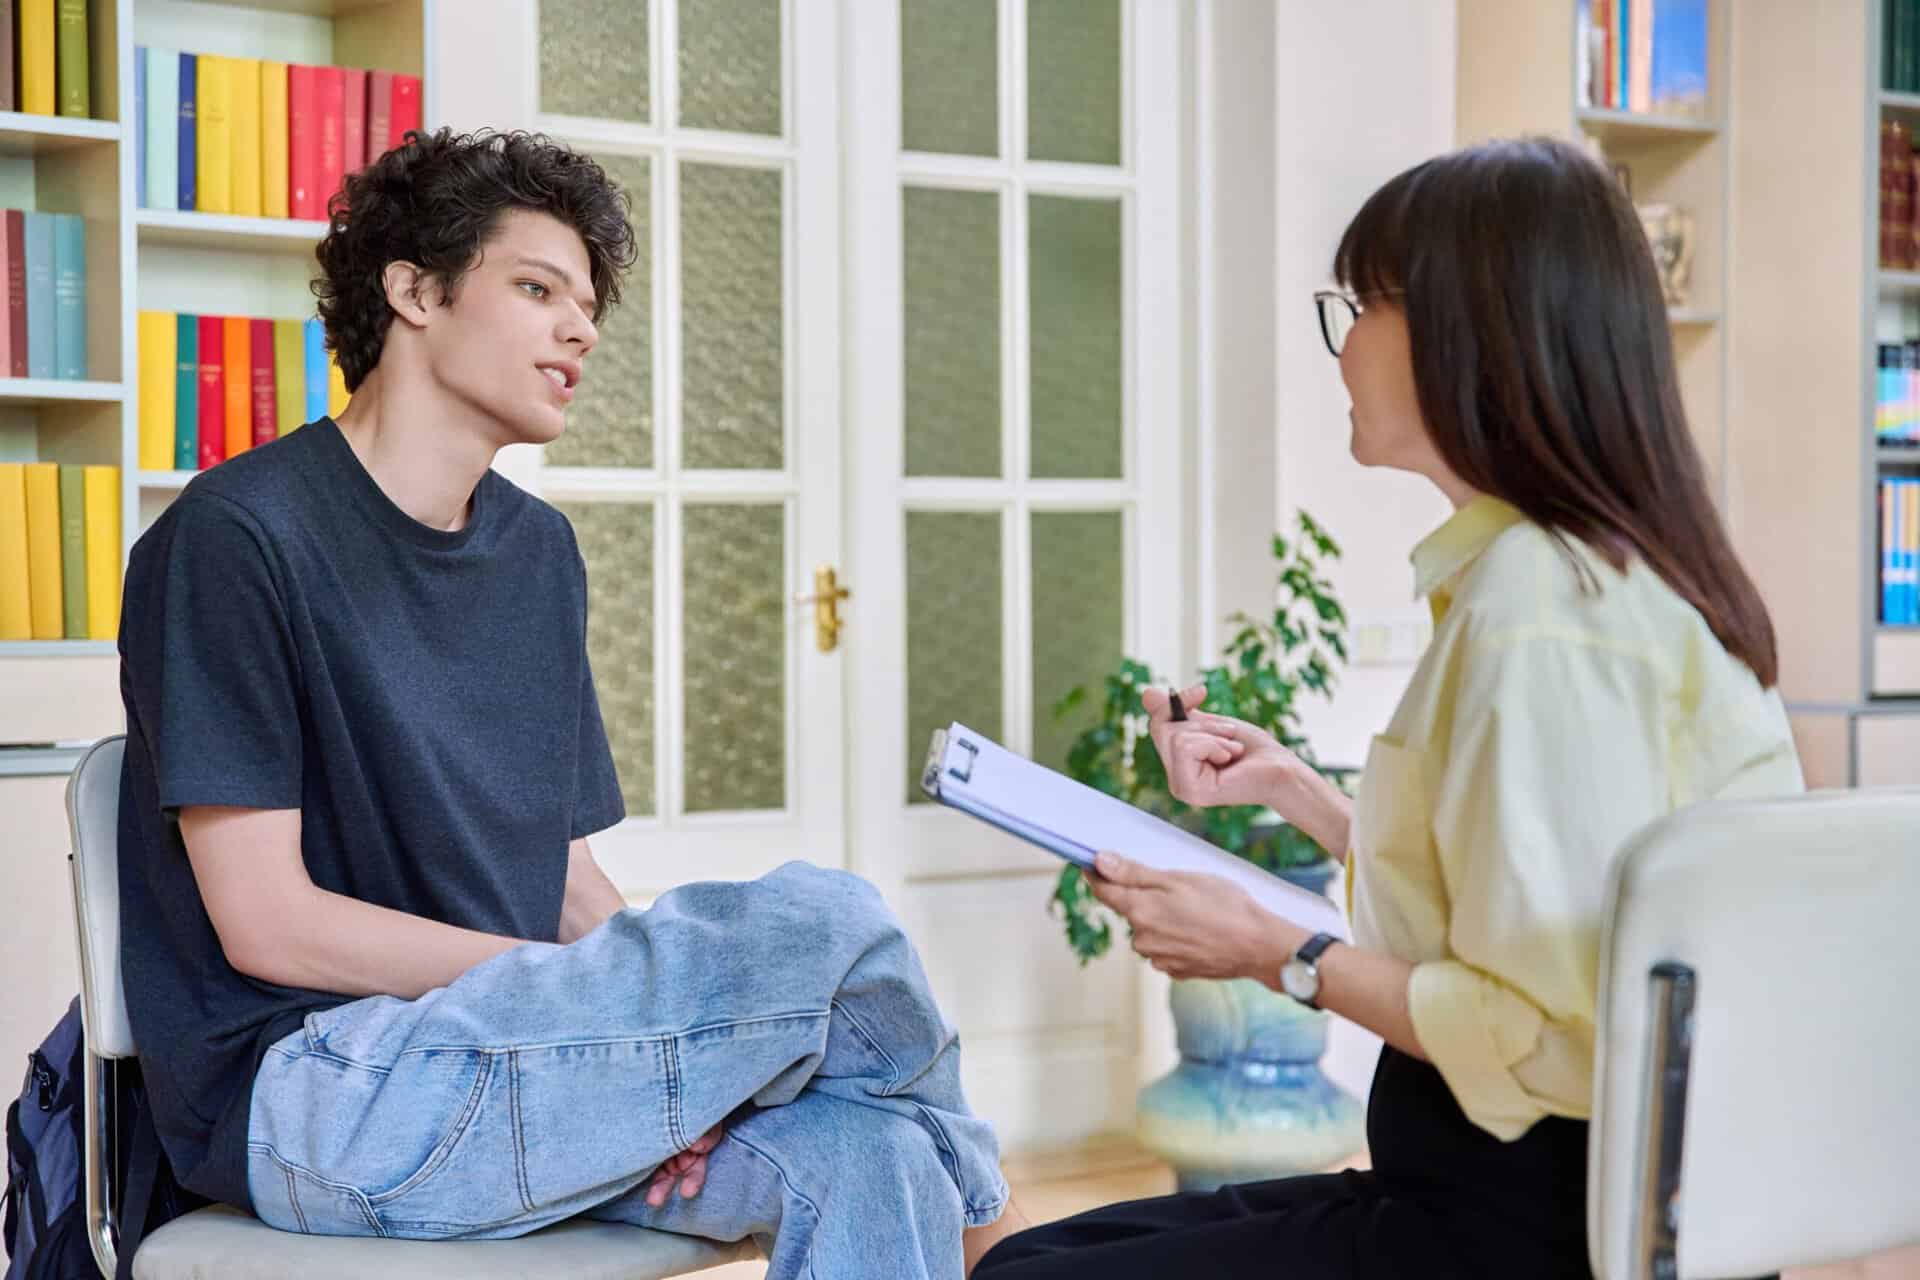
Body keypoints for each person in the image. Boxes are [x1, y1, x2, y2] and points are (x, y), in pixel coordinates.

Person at [116, 127, 1024, 1280]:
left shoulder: (537, 555)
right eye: (536, 287)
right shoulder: (236, 538)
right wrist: (586, 1013)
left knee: (871, 1151)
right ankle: (1012, 1243)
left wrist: (657, 1057)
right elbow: (268, 922)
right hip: (313, 1095)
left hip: (523, 1054)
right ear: (413, 292)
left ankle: (984, 1228)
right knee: (825, 921)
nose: (580, 328)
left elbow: (564, 881)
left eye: (586, 302)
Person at [975, 136, 1804, 1279]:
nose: (1343, 342)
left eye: (1363, 304)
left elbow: (1542, 1029)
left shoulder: (1543, 609)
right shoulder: (1578, 578)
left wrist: (1277, 950)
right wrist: (1301, 795)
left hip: (1517, 1231)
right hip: (1498, 1195)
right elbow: (1528, 902)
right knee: (1045, 1254)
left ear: (1469, 331)